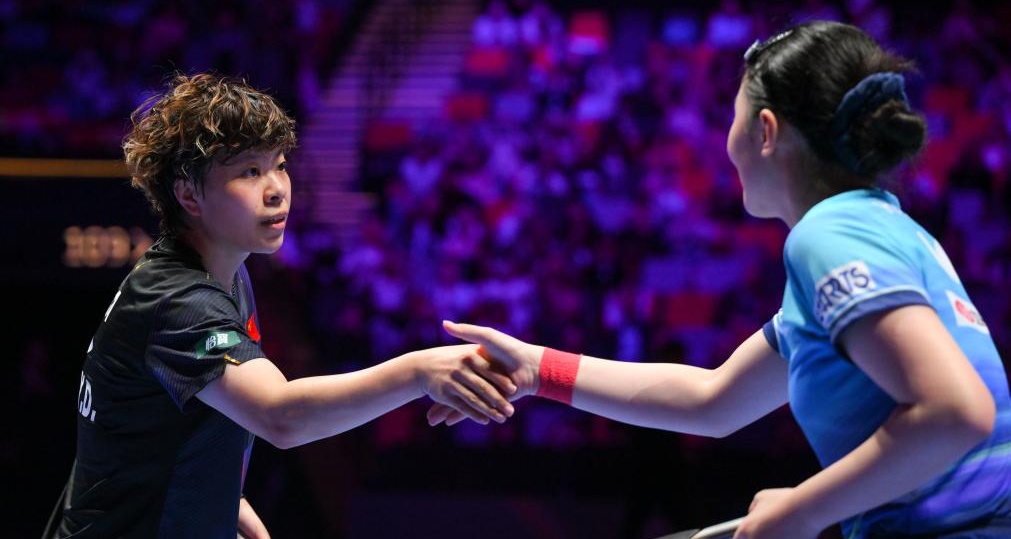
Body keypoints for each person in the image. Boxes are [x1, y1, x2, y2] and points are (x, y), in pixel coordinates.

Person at [429, 21, 1011, 539]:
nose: (726, 142)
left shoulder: (828, 235)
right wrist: (539, 369)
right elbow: (714, 401)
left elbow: (956, 410)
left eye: (731, 117)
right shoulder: (886, 228)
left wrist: (801, 512)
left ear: (766, 131)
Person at [44, 73, 517, 539]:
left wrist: (218, 493)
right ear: (188, 194)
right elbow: (281, 416)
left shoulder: (227, 272)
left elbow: (165, 420)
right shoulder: (178, 301)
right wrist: (419, 373)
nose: (277, 189)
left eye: (280, 165)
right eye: (249, 172)